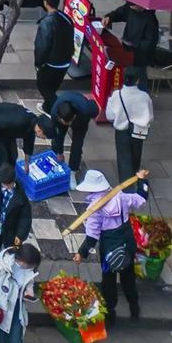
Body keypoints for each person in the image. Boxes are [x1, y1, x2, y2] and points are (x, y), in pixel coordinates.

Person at [75, 167, 147, 329]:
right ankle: (134, 307)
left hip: (109, 250)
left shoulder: (95, 210)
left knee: (108, 280)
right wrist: (142, 180)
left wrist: (81, 253)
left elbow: (92, 236)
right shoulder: (121, 197)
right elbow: (141, 198)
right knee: (128, 277)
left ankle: (110, 315)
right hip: (127, 244)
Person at [106, 68, 153, 181]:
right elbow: (149, 117)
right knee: (136, 155)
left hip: (121, 131)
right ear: (137, 81)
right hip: (138, 131)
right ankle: (135, 177)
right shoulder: (144, 96)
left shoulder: (117, 95)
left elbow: (109, 116)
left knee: (123, 157)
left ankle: (125, 184)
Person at [33, 0, 76, 113]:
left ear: (45, 3)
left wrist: (38, 64)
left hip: (51, 64)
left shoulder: (46, 23)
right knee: (52, 87)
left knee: (44, 87)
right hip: (65, 61)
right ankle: (47, 107)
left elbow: (42, 46)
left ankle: (60, 111)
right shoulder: (67, 18)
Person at [0, 161, 33, 263]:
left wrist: (20, 235)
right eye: (4, 185)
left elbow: (25, 217)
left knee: (10, 251)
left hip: (11, 230)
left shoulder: (20, 195)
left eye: (8, 185)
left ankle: (6, 266)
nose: (6, 187)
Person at [44, 89, 99, 175]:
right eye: (64, 122)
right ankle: (55, 161)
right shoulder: (54, 112)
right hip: (63, 112)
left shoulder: (85, 109)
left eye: (69, 122)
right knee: (57, 136)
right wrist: (59, 152)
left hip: (80, 120)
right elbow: (57, 135)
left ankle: (73, 171)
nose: (67, 125)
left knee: (77, 144)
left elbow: (95, 107)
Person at [0, 101, 42, 172]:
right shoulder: (19, 122)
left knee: (13, 155)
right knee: (1, 158)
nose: (43, 138)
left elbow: (28, 147)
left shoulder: (33, 126)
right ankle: (2, 179)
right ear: (40, 130)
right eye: (44, 136)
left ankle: (9, 176)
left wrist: (26, 165)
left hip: (7, 128)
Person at [104, 1, 160, 71]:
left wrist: (133, 45)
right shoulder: (130, 7)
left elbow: (150, 43)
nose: (131, 8)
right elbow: (118, 13)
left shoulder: (150, 20)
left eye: (134, 6)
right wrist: (109, 17)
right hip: (126, 47)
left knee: (135, 74)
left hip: (139, 56)